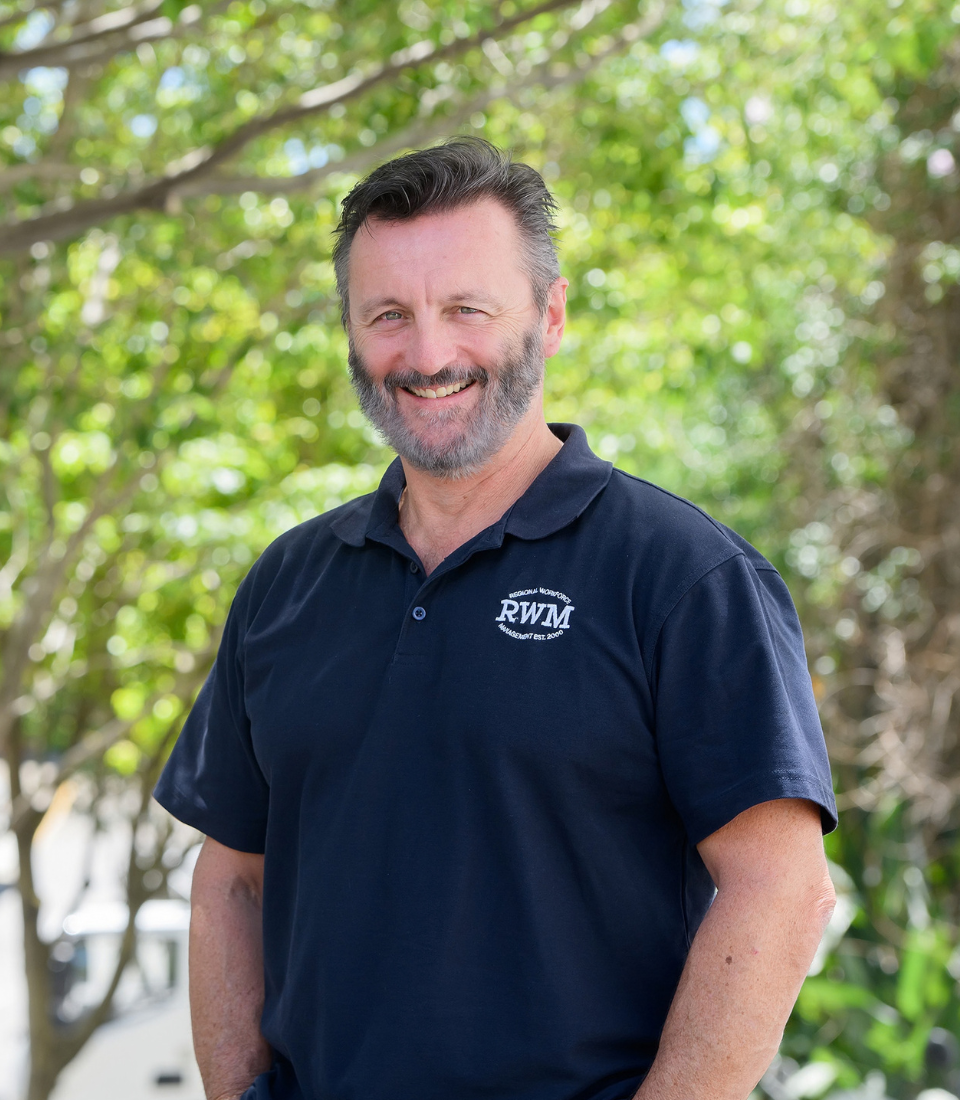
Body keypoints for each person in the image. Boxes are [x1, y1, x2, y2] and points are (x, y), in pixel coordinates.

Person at [154, 138, 838, 1100]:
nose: (428, 355)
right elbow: (230, 878)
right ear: (349, 332)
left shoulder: (683, 576)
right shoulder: (286, 585)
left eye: (466, 309)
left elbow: (780, 888)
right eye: (388, 315)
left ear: (549, 316)